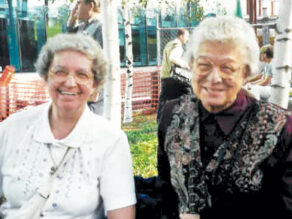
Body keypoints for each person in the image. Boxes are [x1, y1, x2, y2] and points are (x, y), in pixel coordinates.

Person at [157, 16, 292, 219]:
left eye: (227, 68)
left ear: (246, 72)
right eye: (204, 65)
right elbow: (166, 193)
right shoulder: (171, 115)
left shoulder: (280, 128)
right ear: (191, 66)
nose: (214, 77)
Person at [0, 33, 136, 219]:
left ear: (95, 84)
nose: (70, 83)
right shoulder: (11, 129)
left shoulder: (110, 139)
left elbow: (121, 214)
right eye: (60, 72)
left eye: (82, 74)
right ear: (46, 76)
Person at [67, 0, 104, 115]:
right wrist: (71, 20)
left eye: (79, 3)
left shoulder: (100, 27)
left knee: (94, 122)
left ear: (90, 5)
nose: (75, 7)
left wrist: (96, 88)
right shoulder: (82, 27)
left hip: (93, 86)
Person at [157, 28, 191, 122]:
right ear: (181, 36)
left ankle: (160, 122)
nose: (187, 38)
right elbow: (173, 58)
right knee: (188, 94)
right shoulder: (178, 46)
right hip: (172, 78)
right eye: (186, 36)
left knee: (164, 101)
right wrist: (185, 65)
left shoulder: (169, 44)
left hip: (165, 76)